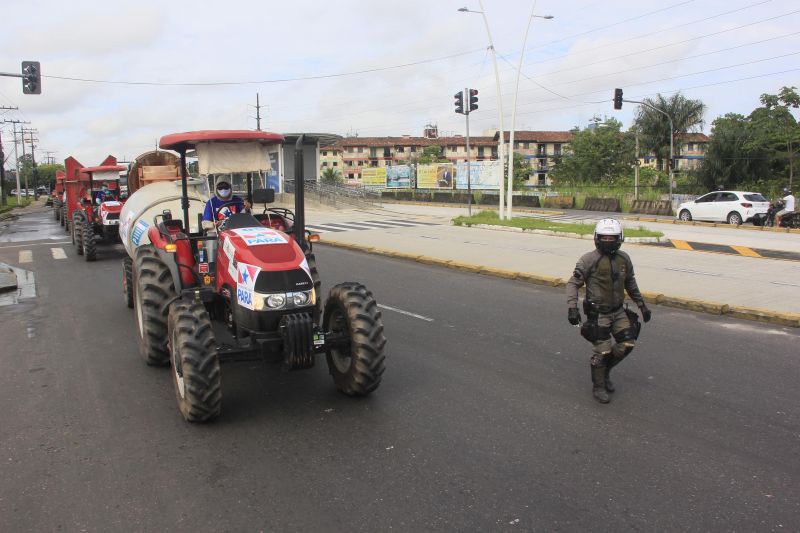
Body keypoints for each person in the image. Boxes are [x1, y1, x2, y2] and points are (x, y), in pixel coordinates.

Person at [566, 219, 652, 404]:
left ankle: (605, 371)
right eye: (604, 237)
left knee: (627, 344)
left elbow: (630, 282)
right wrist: (572, 307)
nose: (608, 240)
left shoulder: (624, 259)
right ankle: (598, 386)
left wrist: (642, 305)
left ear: (619, 238)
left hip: (619, 311)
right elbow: (573, 283)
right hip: (599, 314)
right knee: (602, 352)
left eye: (611, 237)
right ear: (597, 238)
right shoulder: (589, 259)